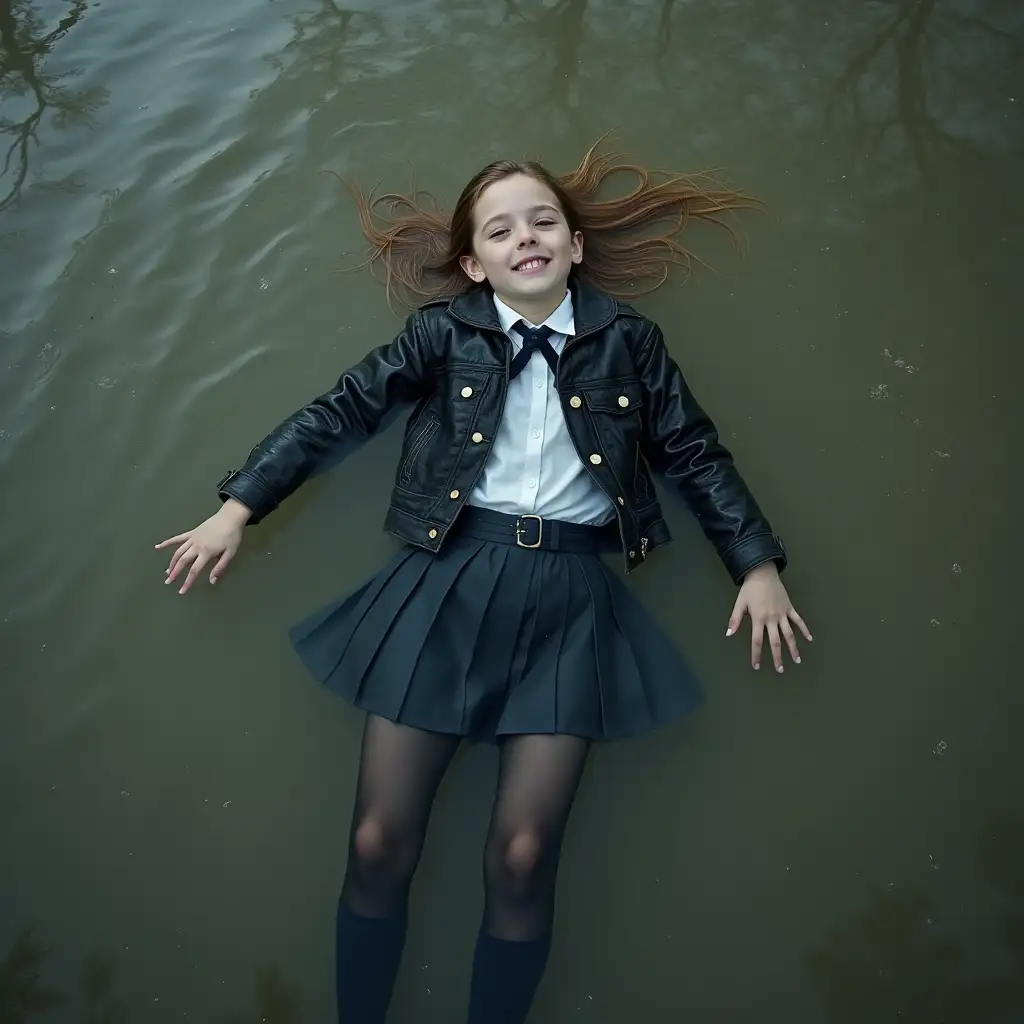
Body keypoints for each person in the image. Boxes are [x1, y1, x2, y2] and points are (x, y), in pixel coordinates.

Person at [155, 139, 812, 1023]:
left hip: (572, 602)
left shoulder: (631, 343)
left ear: (576, 245)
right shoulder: (444, 333)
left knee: (523, 853)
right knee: (380, 839)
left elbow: (694, 453)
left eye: (544, 222)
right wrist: (237, 508)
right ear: (474, 264)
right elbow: (340, 412)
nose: (526, 238)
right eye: (500, 231)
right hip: (445, 585)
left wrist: (756, 563)